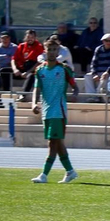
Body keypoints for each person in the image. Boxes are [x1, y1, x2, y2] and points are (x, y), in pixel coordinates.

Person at [29, 37, 78, 183]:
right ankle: (70, 171)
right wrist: (33, 104)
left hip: (59, 111)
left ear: (58, 52)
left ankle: (44, 175)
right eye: (49, 49)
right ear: (45, 51)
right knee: (58, 143)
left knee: (52, 143)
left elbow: (75, 86)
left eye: (54, 50)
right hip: (46, 111)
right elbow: (36, 89)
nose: (51, 52)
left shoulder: (64, 69)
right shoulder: (40, 70)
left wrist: (75, 94)